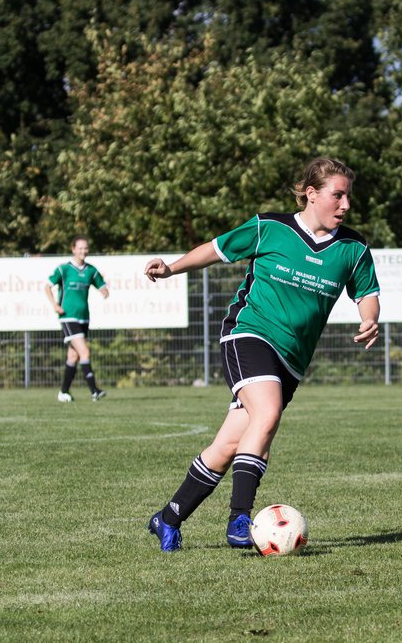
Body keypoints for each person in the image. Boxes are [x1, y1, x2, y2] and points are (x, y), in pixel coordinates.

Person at [142, 157, 381, 551]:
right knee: (266, 415)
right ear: (311, 194)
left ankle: (167, 518)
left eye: (348, 196)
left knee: (230, 445)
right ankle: (240, 519)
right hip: (247, 334)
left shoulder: (352, 249)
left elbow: (367, 294)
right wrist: (171, 269)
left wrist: (369, 319)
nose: (345, 205)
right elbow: (216, 249)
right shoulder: (269, 228)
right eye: (337, 195)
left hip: (291, 360)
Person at [44, 236, 110, 402]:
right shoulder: (64, 269)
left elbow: (102, 286)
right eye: (80, 248)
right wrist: (55, 305)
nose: (83, 251)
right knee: (84, 351)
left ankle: (63, 392)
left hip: (84, 318)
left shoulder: (90, 270)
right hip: (68, 317)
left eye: (86, 248)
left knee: (73, 357)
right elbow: (47, 286)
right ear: (73, 249)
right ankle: (94, 390)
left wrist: (104, 291)